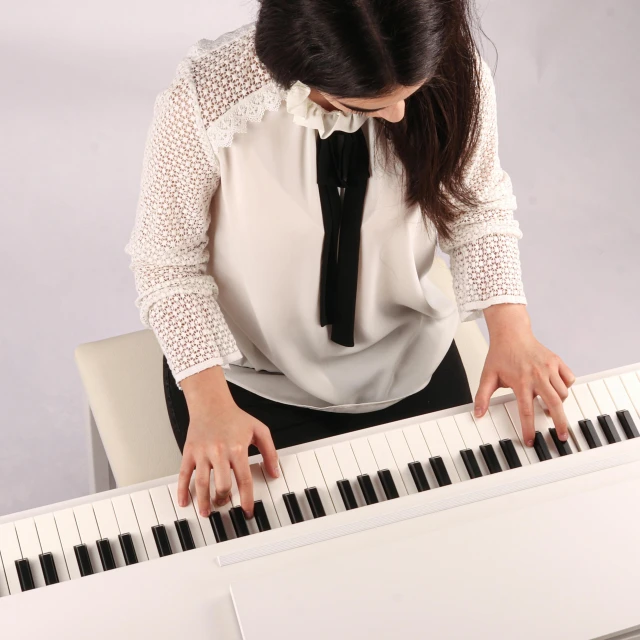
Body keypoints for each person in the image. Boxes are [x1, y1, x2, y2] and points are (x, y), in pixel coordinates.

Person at [125, 2, 576, 521]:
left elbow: (477, 208)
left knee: (461, 532)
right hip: (245, 379)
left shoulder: (453, 67)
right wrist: (207, 401)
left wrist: (512, 328)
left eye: (409, 94)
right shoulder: (206, 97)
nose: (399, 117)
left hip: (410, 357)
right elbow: (167, 262)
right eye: (363, 106)